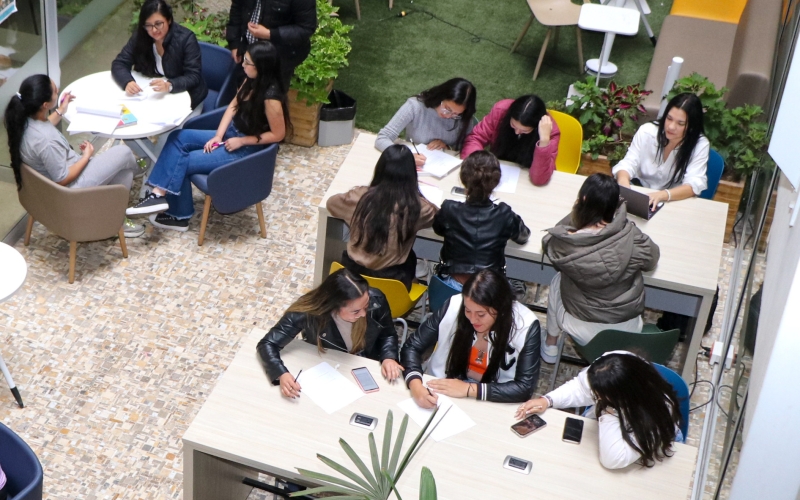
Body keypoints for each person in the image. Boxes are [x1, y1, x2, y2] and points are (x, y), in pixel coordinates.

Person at [126, 41, 289, 231]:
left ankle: (176, 214)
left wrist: (242, 141)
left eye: (248, 62)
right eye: (244, 60)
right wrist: (218, 136)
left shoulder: (271, 98)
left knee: (182, 160)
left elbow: (279, 134)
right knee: (178, 137)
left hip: (246, 149)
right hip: (232, 134)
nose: (243, 65)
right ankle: (159, 194)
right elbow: (233, 106)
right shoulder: (251, 79)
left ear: (261, 67)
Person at [540, 173, 660, 362]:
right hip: (627, 328)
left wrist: (580, 212)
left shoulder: (564, 245)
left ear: (582, 200)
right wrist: (620, 221)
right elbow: (652, 259)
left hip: (584, 329)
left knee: (558, 281)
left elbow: (549, 241)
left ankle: (550, 345)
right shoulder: (631, 235)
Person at [4, 74, 143, 238]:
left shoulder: (23, 122)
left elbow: (45, 126)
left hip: (46, 188)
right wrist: (86, 156)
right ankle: (138, 169)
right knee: (123, 153)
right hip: (71, 190)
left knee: (124, 173)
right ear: (45, 105)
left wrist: (61, 110)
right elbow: (62, 178)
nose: (58, 91)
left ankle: (113, 218)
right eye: (55, 91)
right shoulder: (46, 141)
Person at [516, 351, 683, 469]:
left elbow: (613, 459)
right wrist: (548, 400)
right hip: (608, 427)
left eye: (600, 395)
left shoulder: (657, 414)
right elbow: (581, 387)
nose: (595, 397)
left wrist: (608, 411)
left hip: (647, 447)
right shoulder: (611, 366)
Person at [401, 269, 541, 408]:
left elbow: (524, 387)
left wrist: (469, 389)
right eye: (467, 311)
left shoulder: (526, 325)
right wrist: (416, 386)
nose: (473, 320)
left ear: (501, 309)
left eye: (481, 314)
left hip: (494, 396)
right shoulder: (454, 305)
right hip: (444, 386)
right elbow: (412, 347)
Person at [257, 268, 403, 398]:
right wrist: (281, 373)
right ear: (334, 306)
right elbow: (267, 344)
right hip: (329, 365)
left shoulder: (377, 299)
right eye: (356, 311)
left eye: (366, 306)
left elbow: (388, 334)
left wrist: (389, 357)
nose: (364, 314)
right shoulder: (307, 312)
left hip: (365, 365)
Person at [326, 145, 438, 291]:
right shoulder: (417, 208)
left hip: (351, 281)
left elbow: (331, 204)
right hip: (392, 285)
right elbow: (436, 216)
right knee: (411, 258)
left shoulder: (359, 197)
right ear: (411, 175)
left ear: (379, 169)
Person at [432, 151, 530, 291]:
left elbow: (438, 229)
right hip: (488, 289)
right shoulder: (504, 214)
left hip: (451, 285)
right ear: (496, 182)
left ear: (463, 180)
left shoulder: (449, 209)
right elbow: (523, 236)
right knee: (518, 288)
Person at [613, 93, 709, 210]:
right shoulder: (647, 132)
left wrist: (662, 195)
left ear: (692, 126)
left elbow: (694, 184)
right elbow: (628, 163)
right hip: (639, 192)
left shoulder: (699, 145)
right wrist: (624, 183)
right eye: (669, 118)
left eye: (680, 123)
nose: (671, 127)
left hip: (673, 202)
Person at [112, 0, 208, 110]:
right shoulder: (140, 36)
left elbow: (193, 76)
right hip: (152, 95)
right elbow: (120, 62)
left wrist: (170, 85)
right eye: (148, 25)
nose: (154, 30)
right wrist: (127, 81)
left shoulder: (186, 39)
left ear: (169, 20)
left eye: (158, 24)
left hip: (187, 97)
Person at [375, 78, 477, 166]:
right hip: (412, 163)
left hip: (441, 165)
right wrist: (405, 157)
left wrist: (447, 147)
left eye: (456, 114)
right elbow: (383, 137)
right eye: (447, 109)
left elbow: (466, 147)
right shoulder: (415, 106)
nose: (448, 116)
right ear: (441, 97)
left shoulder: (464, 117)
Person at [461, 94, 559, 186]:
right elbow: (476, 137)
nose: (517, 132)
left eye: (524, 130)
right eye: (513, 125)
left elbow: (539, 178)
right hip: (496, 170)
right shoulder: (500, 111)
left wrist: (544, 142)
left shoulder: (551, 131)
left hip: (526, 178)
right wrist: (476, 165)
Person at [226, 0, 317, 90]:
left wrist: (270, 34)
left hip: (277, 58)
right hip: (247, 49)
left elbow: (306, 28)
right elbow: (237, 8)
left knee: (271, 95)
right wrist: (234, 43)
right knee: (244, 91)